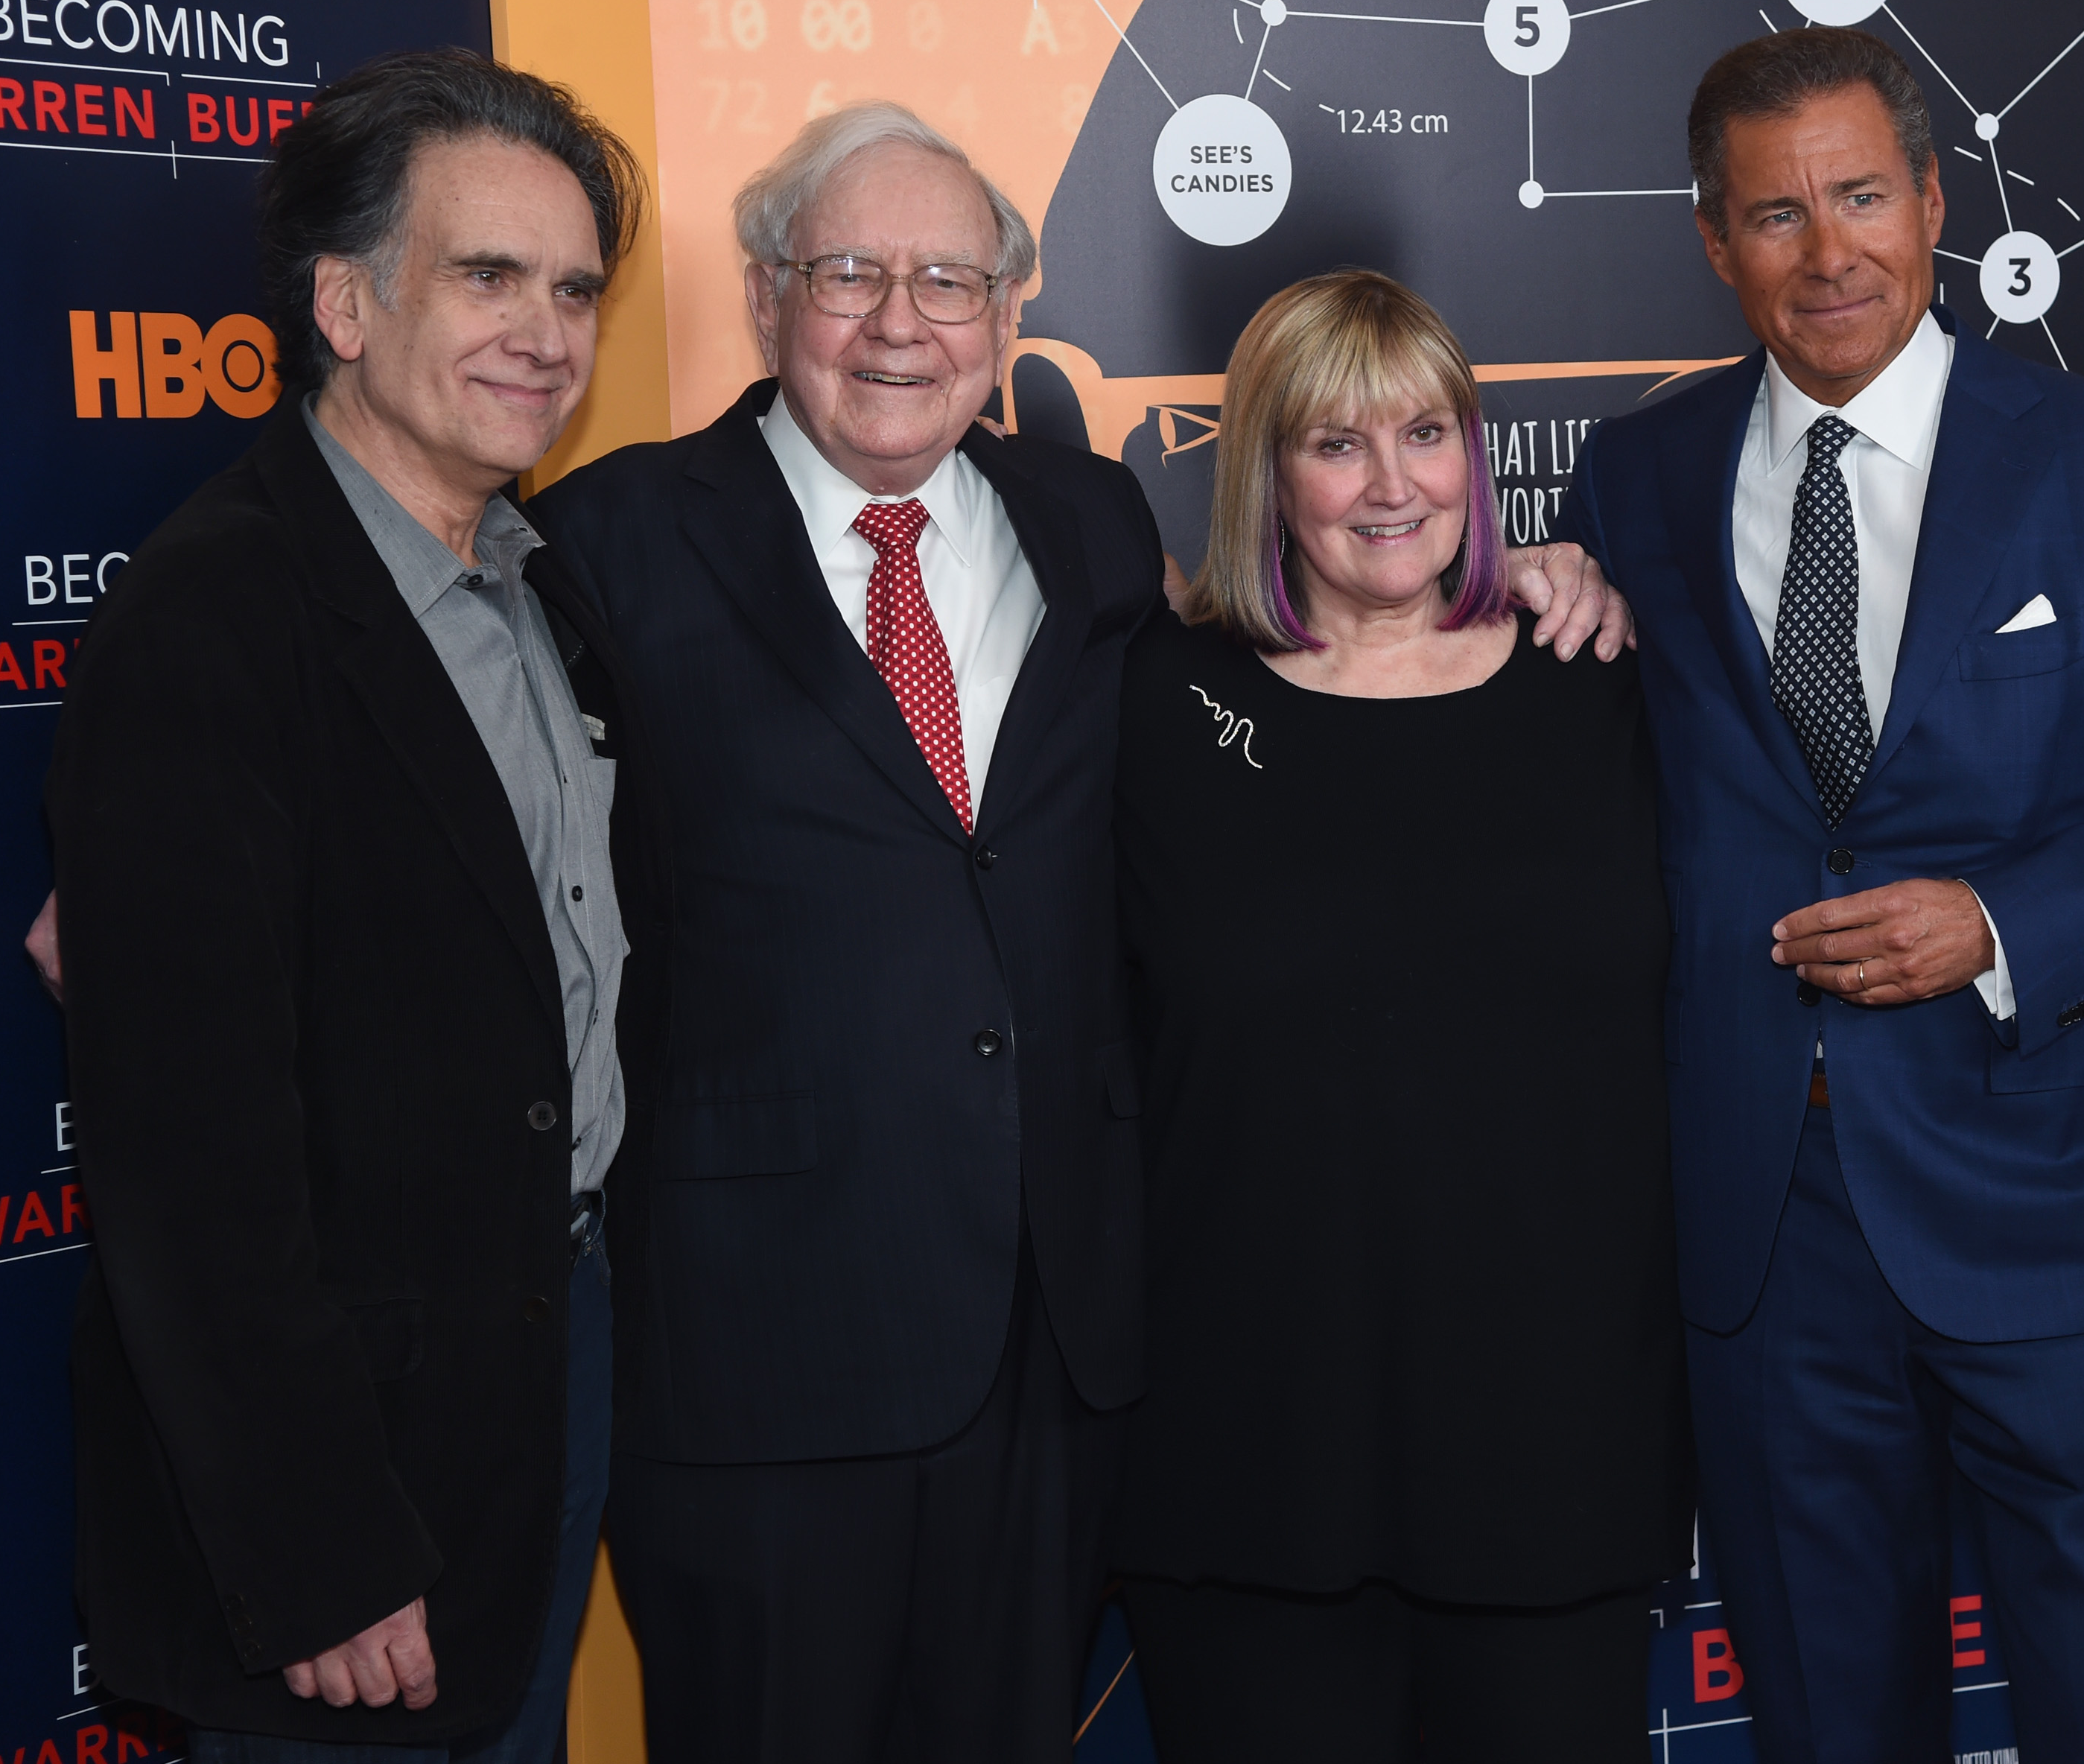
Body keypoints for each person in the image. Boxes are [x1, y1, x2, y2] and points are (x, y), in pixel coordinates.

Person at [526, 104, 1624, 1763]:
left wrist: (1521, 573)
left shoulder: (1091, 524)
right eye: (850, 273)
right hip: (763, 1360)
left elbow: (1301, 728)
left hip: (1054, 1358)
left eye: (952, 280)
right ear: (763, 298)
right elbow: (464, 790)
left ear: (1011, 317)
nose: (903, 322)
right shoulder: (606, 540)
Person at [1550, 28, 2084, 1764]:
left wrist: (1995, 924)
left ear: (1936, 199)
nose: (1828, 253)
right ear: (1711, 238)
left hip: (2062, 1220)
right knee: (1827, 1727)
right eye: (1774, 214)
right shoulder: (1636, 479)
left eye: (1860, 196)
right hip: (1766, 1239)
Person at [45, 51, 656, 1764]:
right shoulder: (215, 617)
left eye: (573, 288)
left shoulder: (543, 593)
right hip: (344, 1491)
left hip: (546, 1378)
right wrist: (315, 1552)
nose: (545, 331)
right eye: (486, 275)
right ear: (342, 300)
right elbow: (189, 1164)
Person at [1110, 270, 1691, 1763]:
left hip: (1550, 1446)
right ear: (1266, 469)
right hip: (1250, 1449)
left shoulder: (1607, 682)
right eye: (1334, 443)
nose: (1391, 486)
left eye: (1426, 433)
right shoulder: (1154, 705)